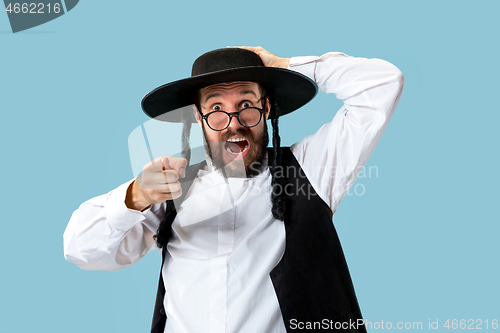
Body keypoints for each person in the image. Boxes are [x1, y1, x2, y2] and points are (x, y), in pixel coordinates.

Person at [64, 46, 404, 333]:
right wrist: (135, 196)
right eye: (215, 109)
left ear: (267, 108)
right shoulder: (170, 185)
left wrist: (285, 66)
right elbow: (82, 250)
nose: (234, 124)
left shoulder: (311, 168)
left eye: (246, 104)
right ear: (198, 118)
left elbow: (383, 85)